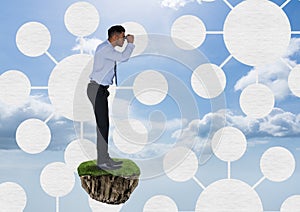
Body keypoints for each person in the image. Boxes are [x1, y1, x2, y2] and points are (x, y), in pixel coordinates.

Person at [87, 25, 135, 170]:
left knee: (104, 125)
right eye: (123, 36)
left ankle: (105, 158)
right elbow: (123, 58)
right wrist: (131, 44)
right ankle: (102, 161)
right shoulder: (106, 49)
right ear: (115, 36)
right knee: (103, 126)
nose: (124, 39)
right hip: (97, 90)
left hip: (99, 90)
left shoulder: (106, 48)